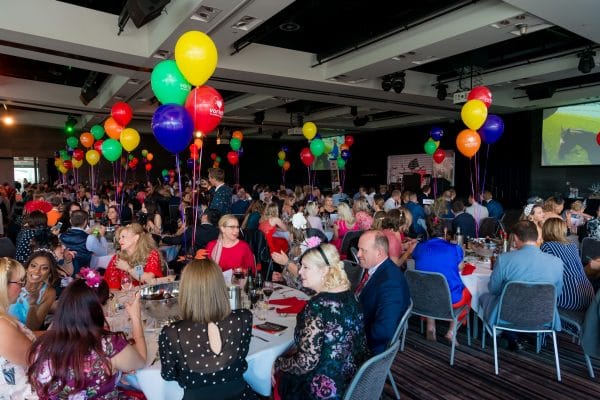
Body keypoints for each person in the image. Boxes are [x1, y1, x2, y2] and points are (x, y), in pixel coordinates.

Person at [274, 244, 369, 400]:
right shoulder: (351, 296)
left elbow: (306, 363)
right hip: (356, 381)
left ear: (324, 271)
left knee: (274, 376)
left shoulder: (318, 306)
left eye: (306, 267)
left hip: (327, 390)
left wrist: (277, 363)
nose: (299, 271)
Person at [28, 279, 146, 399]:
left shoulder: (41, 346)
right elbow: (140, 361)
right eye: (106, 301)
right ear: (97, 308)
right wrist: (136, 317)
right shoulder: (108, 346)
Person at [159, 259, 257, 399]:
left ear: (186, 291)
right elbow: (241, 355)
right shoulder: (243, 318)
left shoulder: (172, 333)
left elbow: (168, 375)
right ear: (220, 287)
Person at [479, 221, 563, 349]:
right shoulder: (557, 262)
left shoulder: (504, 259)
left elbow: (493, 290)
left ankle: (495, 334)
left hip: (507, 315)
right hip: (544, 317)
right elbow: (557, 293)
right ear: (537, 237)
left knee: (483, 297)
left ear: (516, 238)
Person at [412, 221, 471, 343]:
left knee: (429, 287)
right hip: (449, 299)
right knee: (468, 291)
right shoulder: (454, 249)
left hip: (423, 297)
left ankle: (430, 326)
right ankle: (451, 331)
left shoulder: (419, 247)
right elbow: (460, 268)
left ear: (428, 232)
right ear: (445, 232)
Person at [355, 230, 411, 354]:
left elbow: (384, 331)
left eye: (363, 250)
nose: (358, 254)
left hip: (366, 349)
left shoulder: (390, 283)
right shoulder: (378, 269)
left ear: (379, 253)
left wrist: (352, 338)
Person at [0, 257, 38, 399]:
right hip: (21, 393)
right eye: (20, 282)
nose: (23, 286)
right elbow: (34, 358)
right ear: (3, 285)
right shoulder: (2, 326)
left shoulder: (4, 318)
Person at [540, 218, 594, 311]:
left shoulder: (547, 246)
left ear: (546, 230)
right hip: (588, 294)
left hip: (569, 297)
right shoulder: (572, 245)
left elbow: (542, 273)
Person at [103, 223, 163, 290]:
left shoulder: (150, 254)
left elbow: (148, 279)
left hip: (148, 295)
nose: (120, 241)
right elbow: (112, 288)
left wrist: (128, 269)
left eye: (123, 237)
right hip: (124, 298)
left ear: (136, 238)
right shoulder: (117, 259)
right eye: (119, 238)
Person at [9, 250, 58, 330]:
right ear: (27, 268)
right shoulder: (13, 280)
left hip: (23, 334)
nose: (37, 271)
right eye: (33, 265)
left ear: (49, 273)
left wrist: (33, 304)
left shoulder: (48, 293)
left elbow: (33, 328)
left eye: (44, 268)